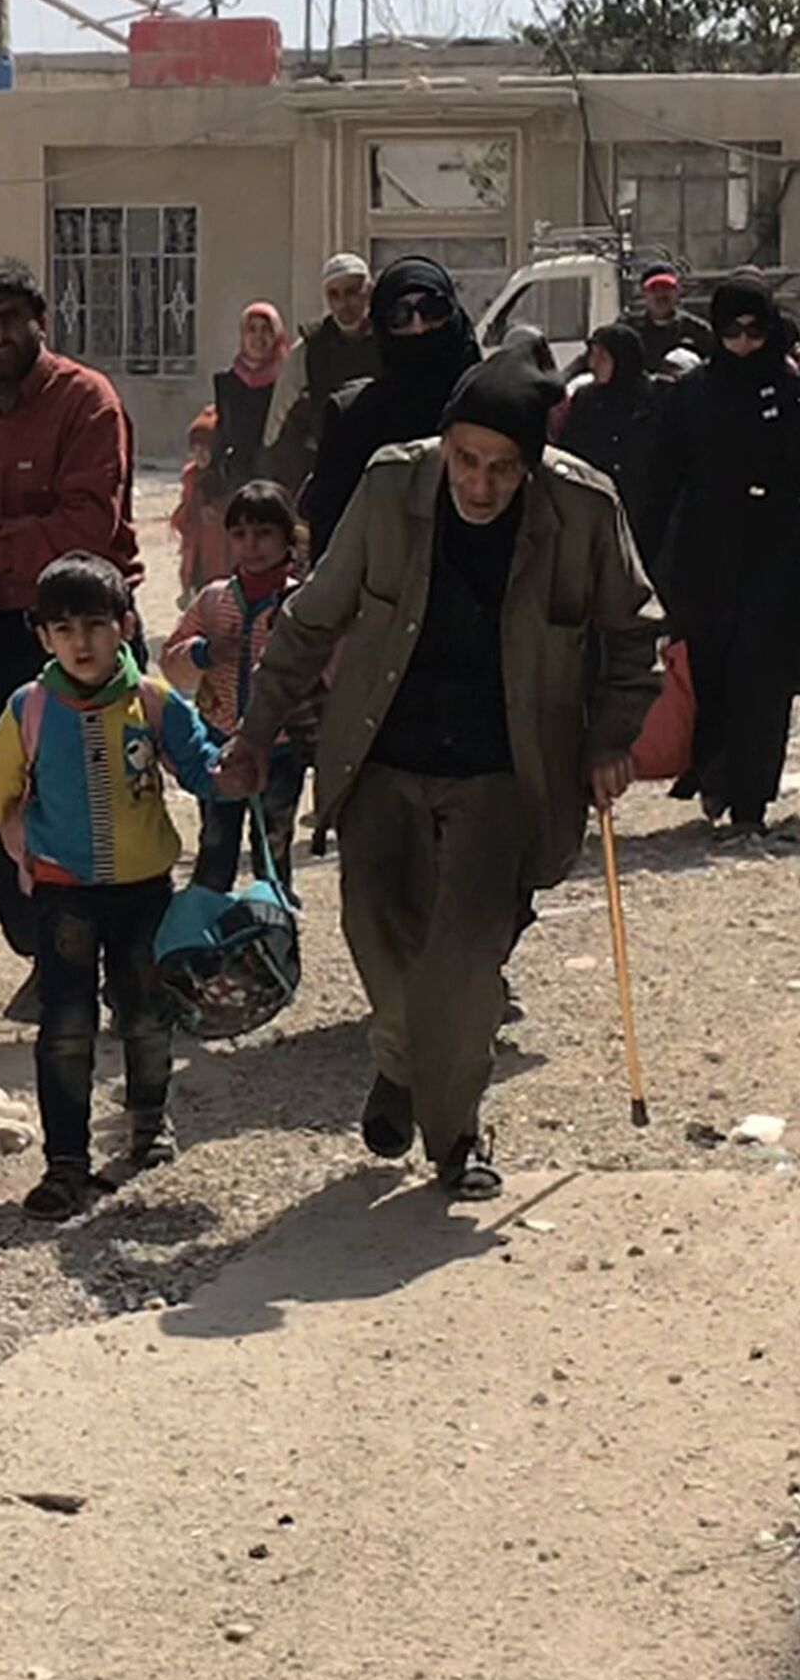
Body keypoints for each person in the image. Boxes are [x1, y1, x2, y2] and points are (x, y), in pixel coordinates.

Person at [218, 349, 661, 1201]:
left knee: (462, 961)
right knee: (377, 934)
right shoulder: (391, 488)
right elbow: (310, 621)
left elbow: (634, 632)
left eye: (502, 468)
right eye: (465, 460)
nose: (480, 485)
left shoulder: (583, 508)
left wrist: (611, 737)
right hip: (383, 751)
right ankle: (403, 1061)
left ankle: (456, 1137)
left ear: (531, 464)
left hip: (507, 765)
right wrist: (255, 732)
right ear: (444, 443)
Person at [0, 552, 228, 1221]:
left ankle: (148, 1125)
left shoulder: (153, 701)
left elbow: (202, 768)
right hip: (63, 893)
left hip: (144, 893)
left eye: (95, 625)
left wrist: (236, 766)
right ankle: (66, 1164)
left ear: (125, 626)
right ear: (44, 637)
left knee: (145, 1015)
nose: (81, 642)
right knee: (66, 1026)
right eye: (64, 628)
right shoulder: (30, 708)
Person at [0, 261, 144, 1010]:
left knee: (93, 806)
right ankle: (47, 951)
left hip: (82, 636)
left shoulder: (86, 401)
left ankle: (110, 964)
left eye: (11, 319)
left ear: (40, 322)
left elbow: (88, 525)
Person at [638, 274, 800, 838]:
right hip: (706, 559)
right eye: (732, 331)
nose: (745, 343)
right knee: (708, 674)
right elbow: (662, 480)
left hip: (777, 559)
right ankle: (715, 778)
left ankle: (751, 804)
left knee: (762, 679)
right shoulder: (694, 394)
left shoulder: (790, 391)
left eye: (756, 331)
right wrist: (640, 558)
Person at [162, 480, 311, 893]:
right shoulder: (214, 600)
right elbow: (171, 662)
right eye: (240, 534)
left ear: (288, 538)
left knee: (273, 849)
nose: (251, 544)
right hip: (219, 742)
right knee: (215, 846)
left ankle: (272, 924)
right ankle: (210, 924)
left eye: (264, 533)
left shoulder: (301, 603)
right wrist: (204, 653)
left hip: (280, 746)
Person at [300, 256, 481, 558]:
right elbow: (331, 543)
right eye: (400, 316)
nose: (419, 327)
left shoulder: (487, 405)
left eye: (432, 310)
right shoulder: (353, 419)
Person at [265, 251, 383, 489]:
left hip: (381, 464)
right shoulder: (310, 348)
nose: (343, 303)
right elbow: (279, 416)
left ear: (368, 291)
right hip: (330, 465)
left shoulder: (389, 340)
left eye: (351, 292)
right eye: (334, 294)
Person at [555, 323, 660, 523]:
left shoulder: (654, 399)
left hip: (643, 506)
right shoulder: (585, 399)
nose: (593, 364)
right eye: (592, 355)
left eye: (602, 358)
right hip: (596, 504)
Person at [210, 302, 288, 493]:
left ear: (277, 335)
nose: (258, 337)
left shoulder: (288, 382)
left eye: (266, 330)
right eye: (252, 329)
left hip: (279, 480)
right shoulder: (227, 382)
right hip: (237, 483)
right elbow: (222, 433)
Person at [171, 407, 229, 601]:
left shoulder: (227, 478)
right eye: (195, 450)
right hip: (199, 552)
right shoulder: (191, 477)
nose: (200, 455)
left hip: (222, 554)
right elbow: (186, 511)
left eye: (205, 449)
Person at [625, 263, 713, 373]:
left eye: (666, 287)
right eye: (654, 288)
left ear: (677, 291)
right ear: (644, 293)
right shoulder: (629, 331)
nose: (660, 294)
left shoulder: (699, 331)